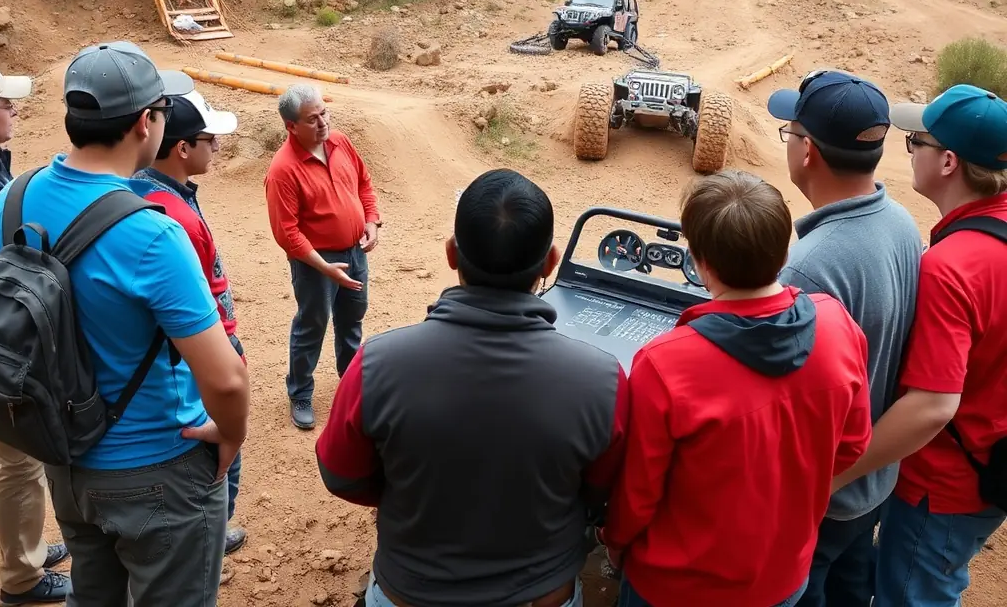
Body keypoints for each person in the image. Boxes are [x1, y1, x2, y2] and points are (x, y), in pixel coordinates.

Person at [0, 41, 250, 607]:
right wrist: (231, 434)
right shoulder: (152, 234)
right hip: (157, 465)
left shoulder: (9, 201)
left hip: (65, 458)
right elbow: (225, 378)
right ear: (145, 123)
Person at [315, 168, 628, 607]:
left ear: (451, 255)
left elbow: (341, 476)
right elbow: (598, 492)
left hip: (409, 592)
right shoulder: (603, 378)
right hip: (541, 595)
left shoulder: (377, 363)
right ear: (551, 261)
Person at [602, 170, 873, 607]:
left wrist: (614, 541)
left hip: (676, 587)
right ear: (786, 250)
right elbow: (852, 445)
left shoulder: (665, 362)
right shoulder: (838, 324)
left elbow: (638, 493)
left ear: (700, 261)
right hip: (782, 577)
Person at [833, 84, 1007, 607]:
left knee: (912, 594)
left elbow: (932, 405)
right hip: (990, 466)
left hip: (942, 485)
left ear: (949, 161)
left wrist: (837, 478)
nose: (910, 150)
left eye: (917, 142)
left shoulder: (955, 267)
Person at [766, 69, 923, 607]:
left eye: (791, 131)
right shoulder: (901, 222)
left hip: (823, 498)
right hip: (873, 482)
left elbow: (782, 406)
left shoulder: (806, 270)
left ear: (807, 151)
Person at [133, 89, 248, 564]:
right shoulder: (177, 215)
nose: (216, 148)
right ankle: (208, 540)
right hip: (201, 350)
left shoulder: (143, 190)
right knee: (220, 456)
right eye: (208, 140)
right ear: (182, 148)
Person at [0, 61, 72, 604]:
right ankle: (23, 576)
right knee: (20, 459)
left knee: (1, 453)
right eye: (3, 104)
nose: (13, 109)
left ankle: (20, 537)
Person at [264, 84, 381, 430]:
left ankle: (350, 381)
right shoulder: (283, 170)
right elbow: (287, 233)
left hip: (354, 252)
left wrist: (371, 220)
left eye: (324, 113)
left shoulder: (340, 142)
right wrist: (324, 267)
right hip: (316, 263)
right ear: (291, 127)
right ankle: (300, 391)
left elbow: (364, 182)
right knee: (312, 324)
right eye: (312, 119)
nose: (322, 123)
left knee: (352, 318)